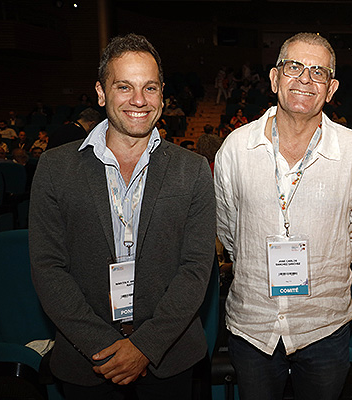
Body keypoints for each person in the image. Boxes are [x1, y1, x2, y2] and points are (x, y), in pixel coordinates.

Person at [29, 33, 216, 399]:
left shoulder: (192, 170)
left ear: (162, 94)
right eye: (124, 87)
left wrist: (144, 346)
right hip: (88, 363)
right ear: (100, 93)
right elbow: (48, 268)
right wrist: (105, 346)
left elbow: (195, 270)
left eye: (150, 88)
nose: (138, 101)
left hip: (170, 363)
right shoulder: (55, 167)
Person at [215, 32, 352, 400]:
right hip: (253, 325)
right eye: (295, 67)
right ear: (275, 78)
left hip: (323, 324)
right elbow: (229, 228)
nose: (305, 79)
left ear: (331, 88)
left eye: (318, 71)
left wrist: (334, 263)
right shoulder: (236, 148)